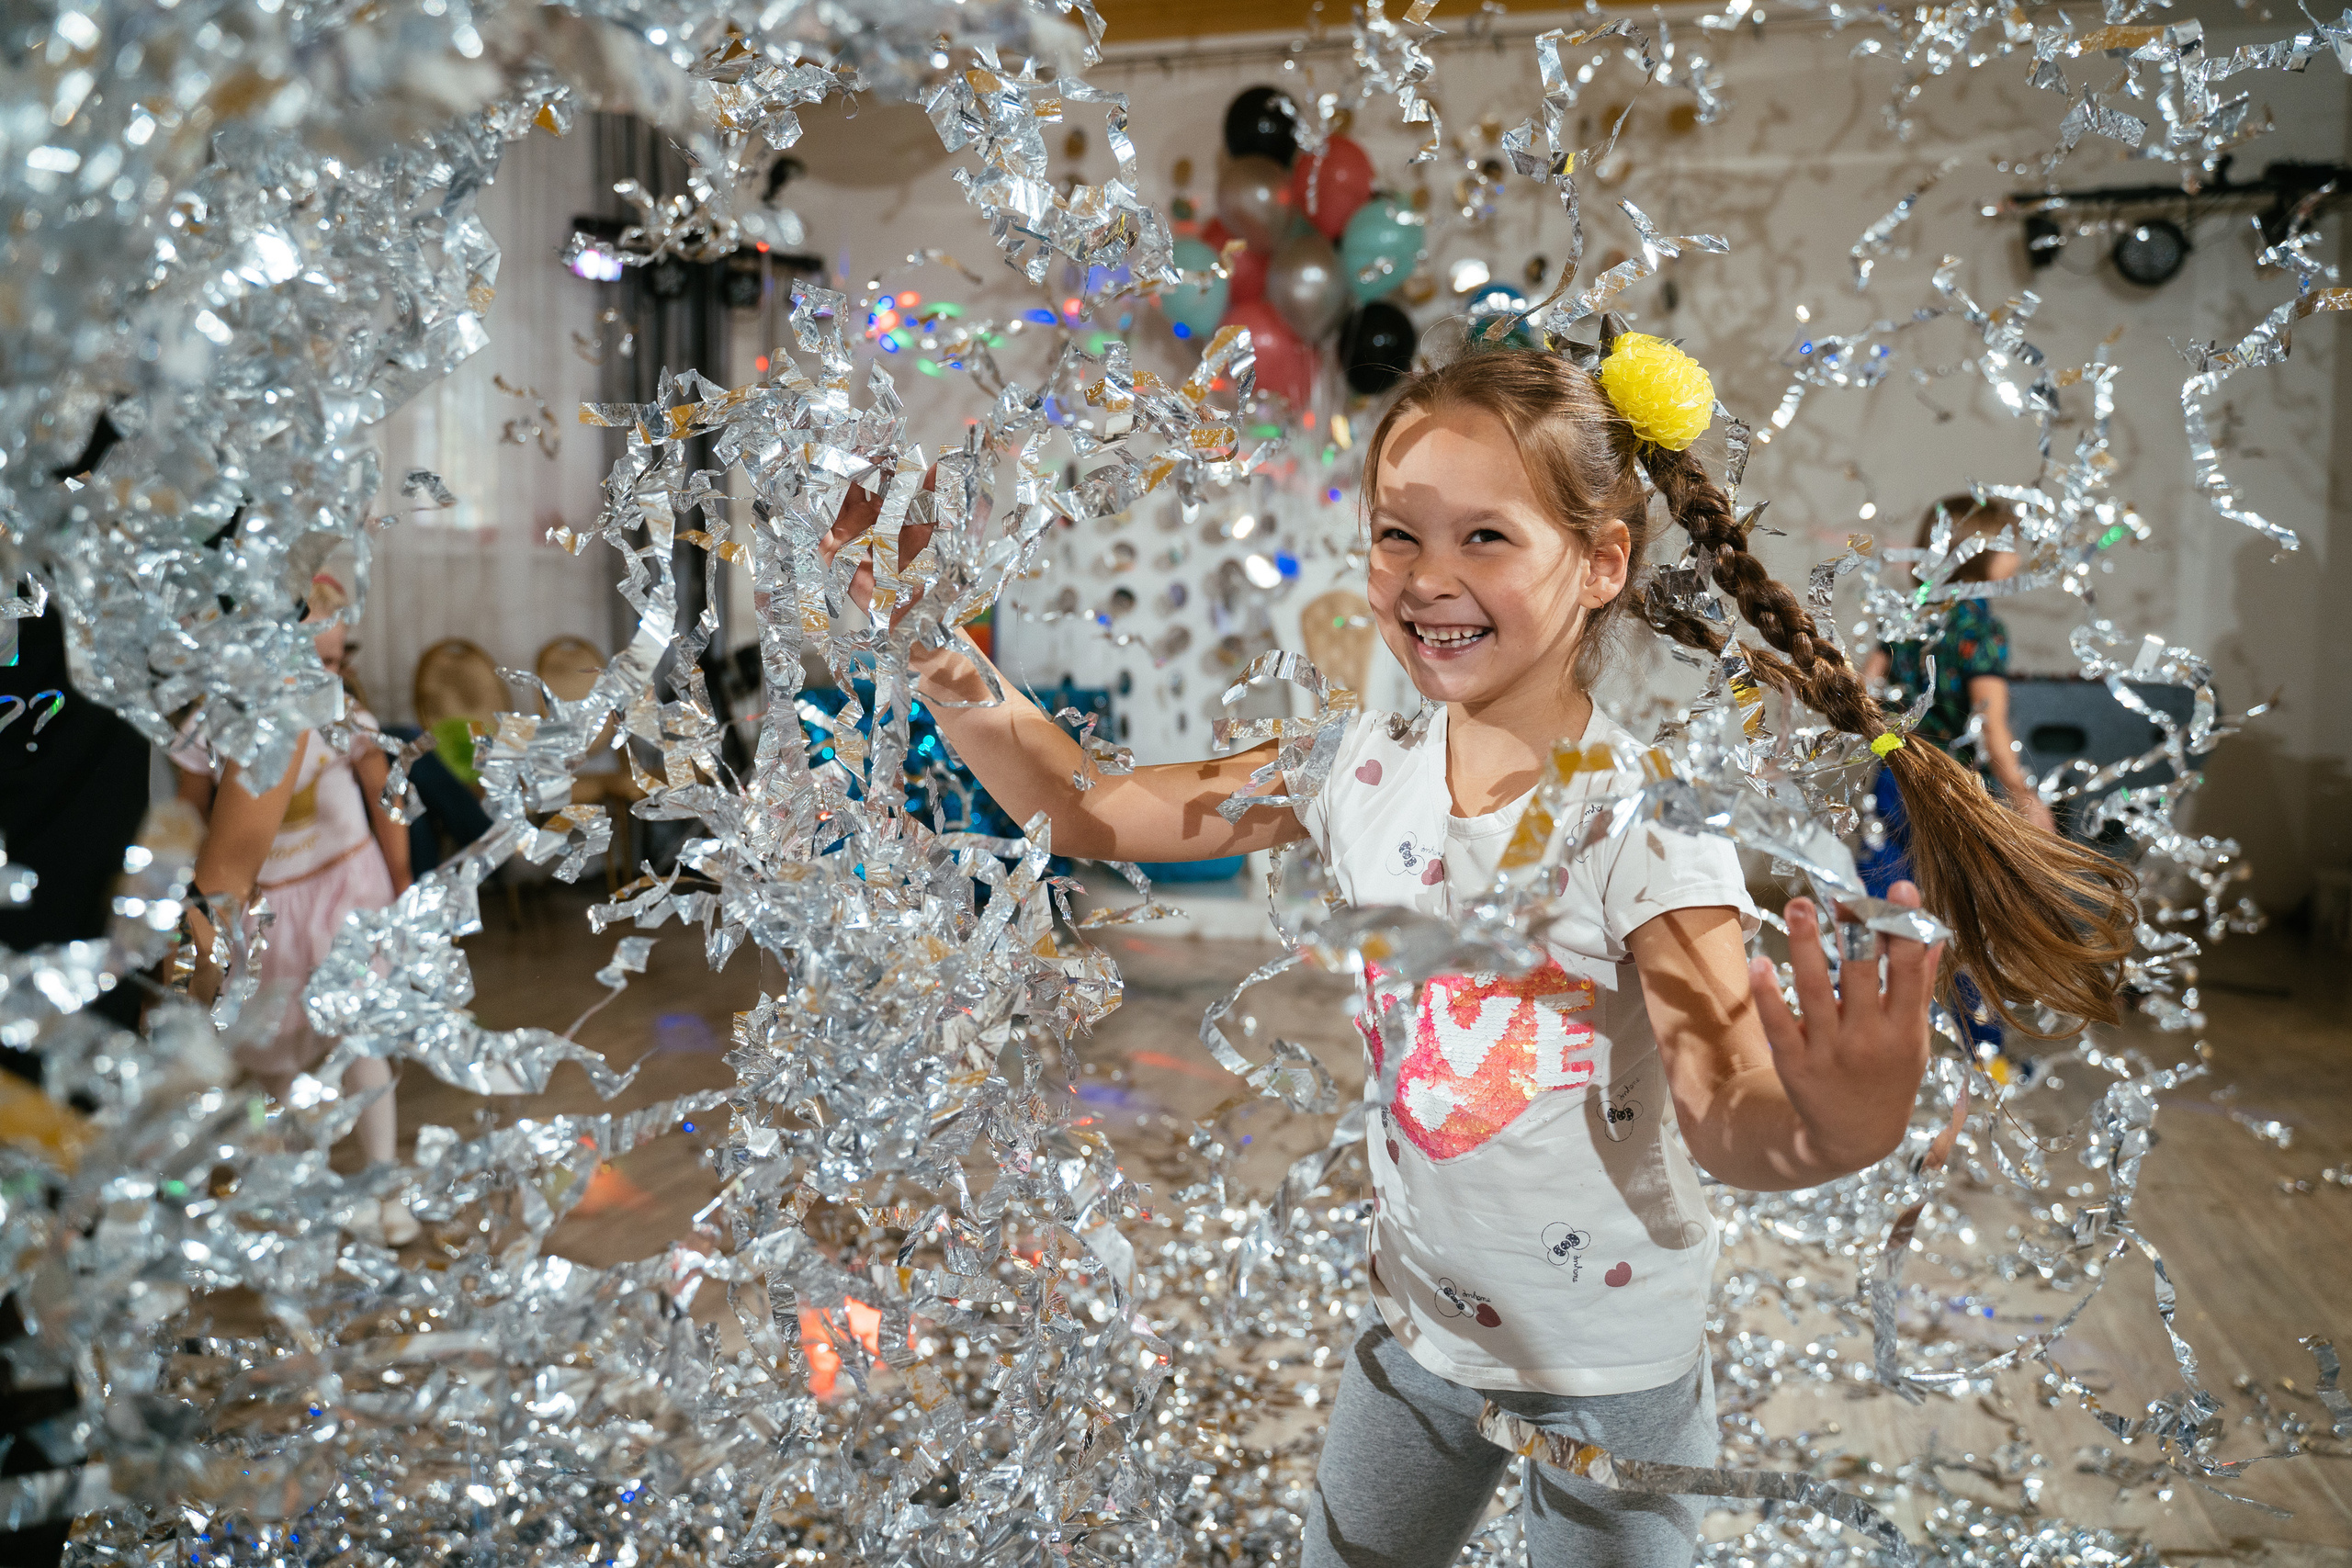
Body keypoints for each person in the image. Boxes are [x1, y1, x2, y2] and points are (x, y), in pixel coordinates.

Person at [821, 336, 2135, 1568]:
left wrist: (1838, 1130)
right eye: (1397, 533)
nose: (1425, 576)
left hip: (1612, 1382)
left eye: (1484, 537)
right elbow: (1088, 803)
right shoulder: (1347, 765)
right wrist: (940, 652)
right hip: (1418, 1344)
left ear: (1603, 562)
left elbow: (1730, 1118)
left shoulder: (1648, 826)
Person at [178, 581, 418, 1247]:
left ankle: (383, 1180)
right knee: (272, 1053)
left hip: (346, 888)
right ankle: (293, 1198)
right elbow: (191, 807)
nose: (321, 679)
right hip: (270, 906)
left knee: (361, 1030)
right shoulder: (210, 727)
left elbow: (384, 789)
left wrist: (398, 877)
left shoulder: (344, 719)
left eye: (334, 665)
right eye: (306, 663)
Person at [1860, 497, 2054, 1050]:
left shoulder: (1909, 611)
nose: (2020, 559)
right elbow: (1992, 730)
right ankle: (1978, 1046)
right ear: (1982, 555)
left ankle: (1872, 1033)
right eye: (2012, 546)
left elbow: (1863, 691)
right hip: (1954, 783)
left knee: (1882, 901)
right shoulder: (1982, 630)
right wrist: (2024, 796)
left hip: (1896, 776)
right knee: (1967, 913)